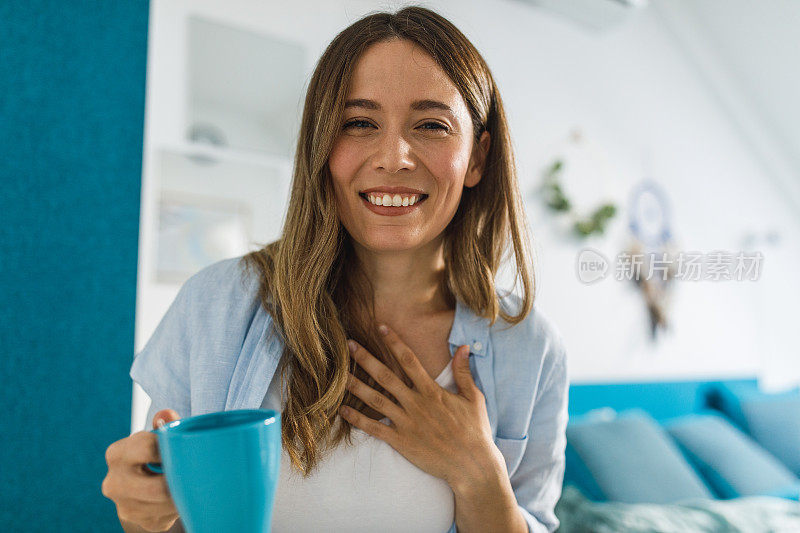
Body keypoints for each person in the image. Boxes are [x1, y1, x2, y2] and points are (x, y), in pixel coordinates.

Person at [102, 5, 568, 532]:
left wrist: (479, 474)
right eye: (359, 123)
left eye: (432, 125)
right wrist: (144, 516)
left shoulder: (531, 348)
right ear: (321, 146)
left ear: (478, 157)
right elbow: (164, 519)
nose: (394, 157)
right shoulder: (215, 304)